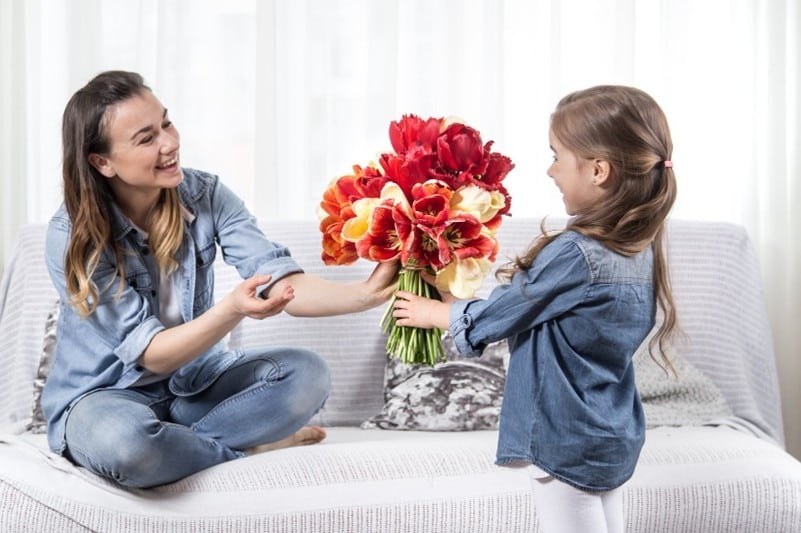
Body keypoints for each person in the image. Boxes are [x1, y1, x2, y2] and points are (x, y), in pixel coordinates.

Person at [42, 70, 397, 489]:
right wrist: (231, 310)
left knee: (307, 375)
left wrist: (366, 294)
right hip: (103, 397)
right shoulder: (74, 236)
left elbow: (277, 277)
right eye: (146, 138)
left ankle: (180, 448)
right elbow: (152, 355)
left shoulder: (205, 195)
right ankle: (246, 449)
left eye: (166, 124)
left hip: (193, 385)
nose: (169, 143)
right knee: (129, 448)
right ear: (102, 162)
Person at [392, 85, 678, 533]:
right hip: (611, 431)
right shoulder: (640, 250)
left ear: (598, 170)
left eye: (557, 157)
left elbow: (512, 309)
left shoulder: (576, 254)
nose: (550, 170)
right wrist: (457, 303)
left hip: (564, 437)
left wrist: (436, 314)